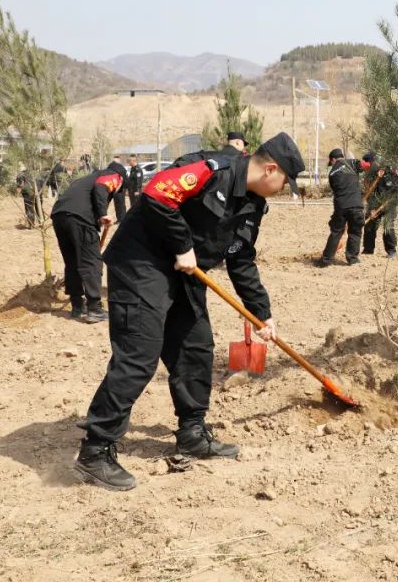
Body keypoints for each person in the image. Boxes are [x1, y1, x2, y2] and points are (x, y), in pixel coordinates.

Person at [73, 132, 305, 492]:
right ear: (271, 168)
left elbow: (241, 258)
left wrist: (262, 312)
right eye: (285, 181)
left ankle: (192, 433)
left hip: (186, 271)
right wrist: (182, 245)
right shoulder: (214, 169)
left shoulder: (253, 204)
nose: (283, 187)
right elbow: (158, 193)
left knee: (195, 348)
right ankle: (96, 450)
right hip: (142, 264)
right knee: (139, 354)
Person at [50, 161, 127, 322]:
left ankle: (77, 306)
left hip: (59, 216)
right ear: (120, 179)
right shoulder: (113, 175)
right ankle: (94, 308)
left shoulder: (87, 178)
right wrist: (103, 214)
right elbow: (101, 188)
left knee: (72, 262)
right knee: (92, 261)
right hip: (80, 219)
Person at [315, 148, 365, 266]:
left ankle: (326, 260)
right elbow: (364, 166)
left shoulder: (332, 173)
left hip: (341, 206)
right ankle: (352, 259)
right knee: (355, 232)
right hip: (356, 205)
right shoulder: (351, 163)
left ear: (333, 159)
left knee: (336, 232)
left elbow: (336, 191)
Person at [361, 152, 398, 258]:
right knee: (369, 226)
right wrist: (372, 209)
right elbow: (370, 193)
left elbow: (397, 188)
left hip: (389, 205)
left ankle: (391, 251)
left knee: (388, 226)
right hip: (374, 205)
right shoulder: (369, 176)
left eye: (370, 162)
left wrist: (388, 202)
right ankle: (368, 250)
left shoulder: (391, 173)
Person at [111, 155, 128, 222]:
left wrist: (124, 187)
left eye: (116, 161)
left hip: (121, 188)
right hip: (114, 189)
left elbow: (125, 179)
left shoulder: (122, 169)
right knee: (117, 205)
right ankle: (119, 219)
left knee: (121, 205)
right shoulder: (111, 167)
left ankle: (123, 219)